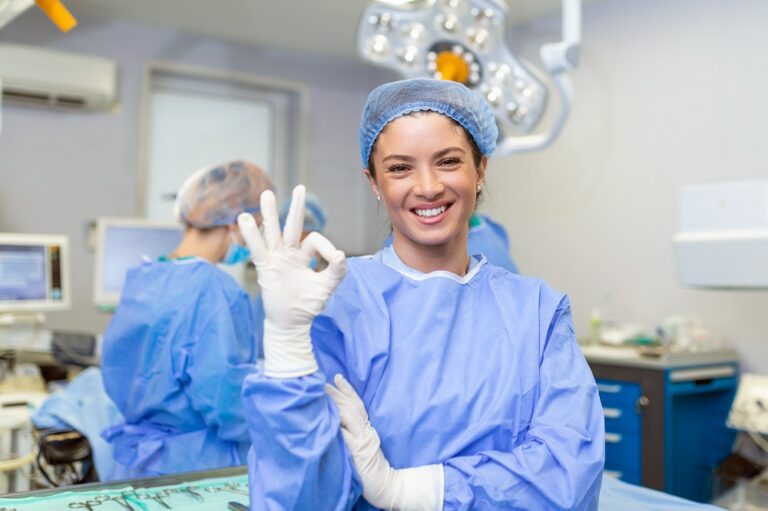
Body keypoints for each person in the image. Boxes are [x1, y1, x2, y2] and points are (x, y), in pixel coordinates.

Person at [238, 79, 604, 509]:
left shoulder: (537, 312)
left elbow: (569, 473)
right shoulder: (336, 304)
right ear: (374, 182)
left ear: (480, 170)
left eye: (448, 161)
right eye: (399, 168)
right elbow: (299, 498)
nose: (428, 186)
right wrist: (286, 344)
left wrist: (407, 490)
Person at [100, 160, 272, 479]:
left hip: (136, 464)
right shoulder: (213, 290)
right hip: (194, 469)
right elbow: (224, 402)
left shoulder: (144, 277)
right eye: (256, 225)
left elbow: (118, 369)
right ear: (237, 222)